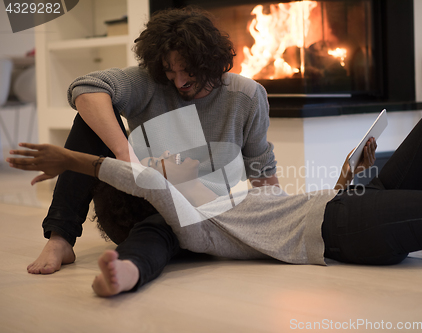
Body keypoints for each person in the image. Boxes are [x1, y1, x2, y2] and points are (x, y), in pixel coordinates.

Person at [8, 94, 422, 297]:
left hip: (350, 205)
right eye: (169, 161)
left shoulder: (221, 196)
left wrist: (351, 178)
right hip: (353, 229)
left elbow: (292, 213)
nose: (181, 157)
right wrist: (72, 161)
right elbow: (144, 240)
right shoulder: (180, 219)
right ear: (159, 195)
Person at [28, 7, 280, 275]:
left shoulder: (247, 96)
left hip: (201, 219)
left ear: (210, 61)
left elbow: (262, 172)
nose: (180, 81)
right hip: (136, 210)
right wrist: (128, 159)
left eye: (188, 71)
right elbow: (85, 87)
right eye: (171, 71)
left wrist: (275, 227)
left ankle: (131, 266)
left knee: (172, 224)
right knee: (88, 122)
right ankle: (60, 238)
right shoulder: (150, 82)